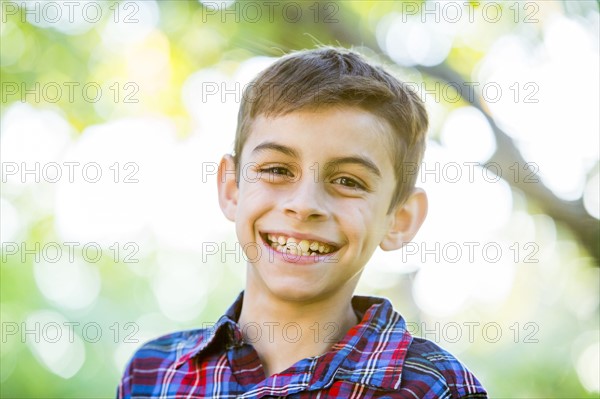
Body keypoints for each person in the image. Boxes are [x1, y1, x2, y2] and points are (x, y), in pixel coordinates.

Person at [117, 47, 488, 398]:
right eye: (277, 170)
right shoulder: (153, 375)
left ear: (400, 219)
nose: (305, 205)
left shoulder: (436, 388)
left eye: (348, 181)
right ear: (232, 188)